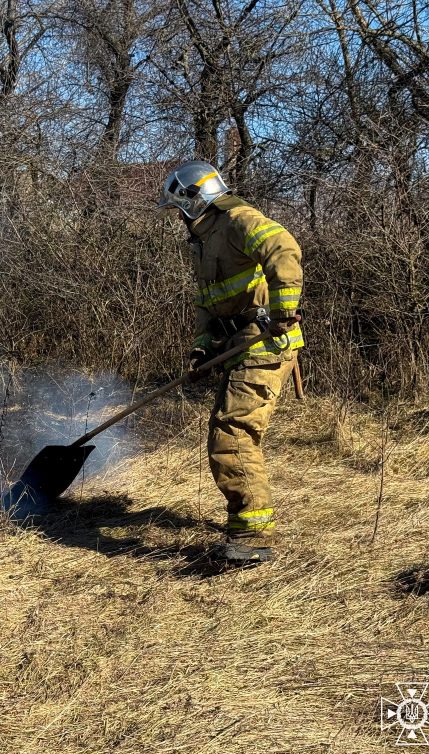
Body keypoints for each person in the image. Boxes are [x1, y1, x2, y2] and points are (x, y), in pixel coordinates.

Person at [158, 160, 303, 563]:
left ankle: (253, 536)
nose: (178, 219)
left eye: (178, 210)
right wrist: (202, 348)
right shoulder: (204, 240)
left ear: (193, 200)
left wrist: (282, 312)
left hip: (265, 342)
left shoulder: (239, 219)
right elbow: (209, 304)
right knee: (228, 430)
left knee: (233, 433)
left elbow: (284, 249)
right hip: (236, 343)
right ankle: (248, 523)